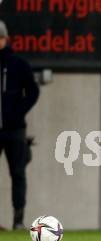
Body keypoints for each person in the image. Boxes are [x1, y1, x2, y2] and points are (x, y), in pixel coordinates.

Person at [0, 20, 40, 230]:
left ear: (5, 39)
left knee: (18, 172)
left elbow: (33, 91)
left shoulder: (18, 64)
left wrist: (18, 111)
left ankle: (18, 220)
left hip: (15, 129)